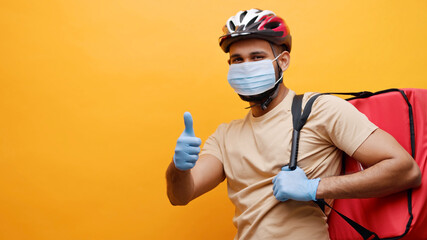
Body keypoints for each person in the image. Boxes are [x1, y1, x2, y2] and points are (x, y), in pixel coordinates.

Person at [166, 8, 421, 240]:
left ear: (283, 61)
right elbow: (181, 196)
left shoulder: (320, 110)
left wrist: (314, 187)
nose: (246, 67)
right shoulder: (225, 136)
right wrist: (178, 167)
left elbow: (405, 169)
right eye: (238, 60)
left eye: (257, 57)